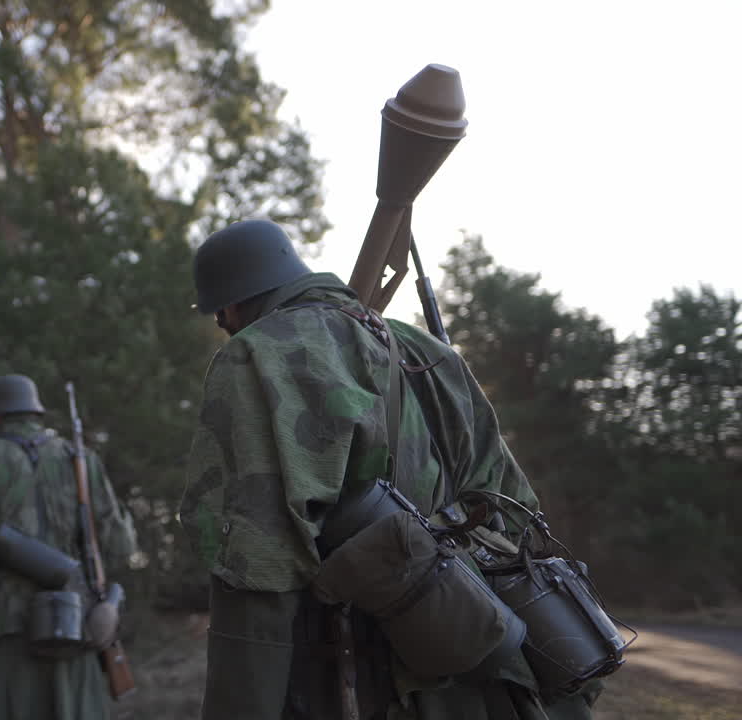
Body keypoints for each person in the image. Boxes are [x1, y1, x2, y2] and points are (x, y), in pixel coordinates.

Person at [179, 219, 601, 719]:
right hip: (489, 672)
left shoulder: (258, 355)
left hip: (358, 681)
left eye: (220, 317)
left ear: (231, 304)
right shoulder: (429, 351)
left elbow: (255, 566)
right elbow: (516, 515)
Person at [0, 373, 138, 720]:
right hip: (77, 634)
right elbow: (121, 545)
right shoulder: (80, 459)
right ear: (36, 414)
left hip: (3, 639)